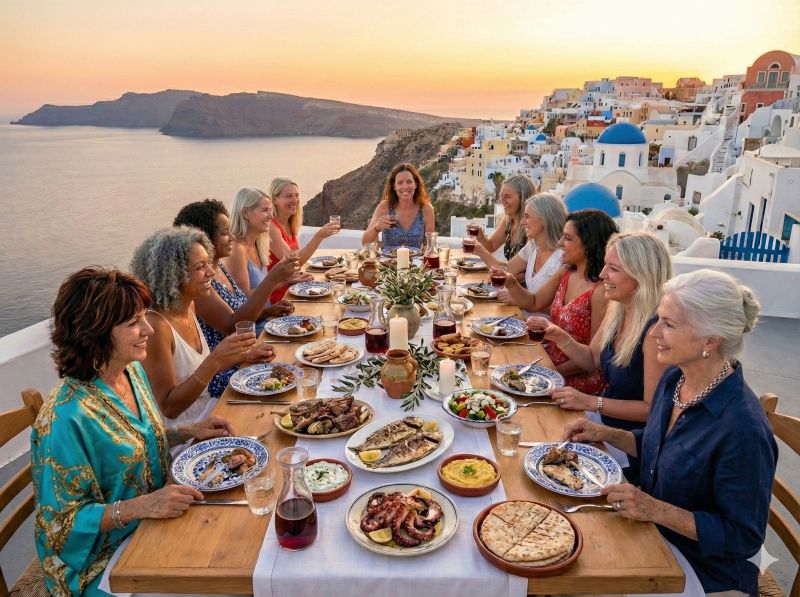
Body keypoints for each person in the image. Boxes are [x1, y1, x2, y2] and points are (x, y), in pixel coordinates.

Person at [563, 269, 777, 595]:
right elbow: (660, 447)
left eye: (669, 324)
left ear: (710, 340)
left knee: (572, 578)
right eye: (658, 319)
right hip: (649, 535)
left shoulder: (743, 428)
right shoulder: (675, 378)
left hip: (698, 568)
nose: (653, 332)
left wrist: (655, 509)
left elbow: (743, 536)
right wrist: (605, 433)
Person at [31, 267, 235, 596]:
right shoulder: (64, 418)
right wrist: (142, 506)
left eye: (144, 318)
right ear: (94, 334)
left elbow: (132, 440)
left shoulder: (131, 372)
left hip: (157, 520)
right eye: (132, 324)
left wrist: (186, 431)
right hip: (100, 561)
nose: (148, 331)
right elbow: (61, 524)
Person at [131, 227, 273, 432]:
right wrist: (215, 360)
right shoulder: (156, 326)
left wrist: (242, 355)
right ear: (173, 274)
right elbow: (169, 407)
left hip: (211, 414)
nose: (211, 272)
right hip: (186, 436)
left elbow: (194, 371)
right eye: (200, 267)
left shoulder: (190, 305)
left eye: (209, 263)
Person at [532, 232, 671, 428]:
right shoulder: (619, 308)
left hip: (626, 441)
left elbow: (652, 410)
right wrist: (559, 336)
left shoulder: (655, 330)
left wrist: (590, 402)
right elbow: (591, 360)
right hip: (602, 423)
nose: (602, 274)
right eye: (606, 264)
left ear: (641, 275)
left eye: (613, 268)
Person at [173, 199, 297, 397]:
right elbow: (232, 324)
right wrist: (271, 280)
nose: (232, 237)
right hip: (224, 374)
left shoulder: (219, 267)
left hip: (244, 356)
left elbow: (238, 314)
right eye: (224, 233)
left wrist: (267, 311)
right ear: (203, 238)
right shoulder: (199, 284)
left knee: (298, 363)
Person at [520, 209, 618, 394]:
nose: (559, 243)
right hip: (547, 361)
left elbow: (592, 359)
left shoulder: (600, 291)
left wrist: (549, 373)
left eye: (568, 238)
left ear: (589, 243)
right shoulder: (566, 272)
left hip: (573, 380)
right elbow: (534, 302)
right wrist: (509, 281)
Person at [478, 192, 566, 316]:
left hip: (542, 330)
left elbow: (560, 308)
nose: (522, 222)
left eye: (527, 216)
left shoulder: (562, 258)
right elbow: (508, 269)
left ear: (545, 220)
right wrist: (479, 249)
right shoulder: (533, 245)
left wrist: (518, 300)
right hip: (522, 319)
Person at [224, 187, 312, 307]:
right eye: (265, 210)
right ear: (245, 213)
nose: (271, 216)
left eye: (271, 210)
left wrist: (287, 280)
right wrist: (283, 281)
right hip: (258, 324)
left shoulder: (258, 243)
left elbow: (263, 289)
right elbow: (243, 301)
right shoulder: (237, 250)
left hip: (268, 315)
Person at [267, 177, 340, 302]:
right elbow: (294, 264)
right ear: (275, 200)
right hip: (280, 297)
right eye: (289, 196)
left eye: (296, 195)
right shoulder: (271, 227)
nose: (295, 200)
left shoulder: (290, 225)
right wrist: (318, 236)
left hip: (295, 290)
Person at [361, 163, 435, 250]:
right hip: (386, 262)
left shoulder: (426, 209)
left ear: (415, 184)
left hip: (415, 262)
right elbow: (364, 243)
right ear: (394, 187)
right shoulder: (384, 207)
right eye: (400, 183)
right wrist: (377, 227)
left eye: (409, 181)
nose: (405, 186)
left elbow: (429, 246)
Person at [474, 174, 534, 260]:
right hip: (508, 272)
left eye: (508, 196)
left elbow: (520, 270)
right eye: (501, 196)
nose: (502, 201)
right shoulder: (508, 220)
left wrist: (481, 252)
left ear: (523, 198)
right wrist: (481, 237)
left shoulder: (530, 227)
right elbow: (491, 246)